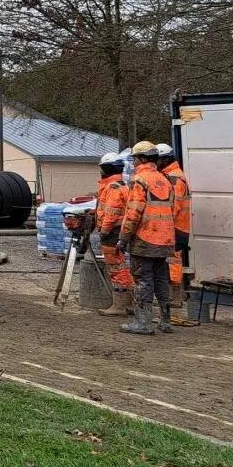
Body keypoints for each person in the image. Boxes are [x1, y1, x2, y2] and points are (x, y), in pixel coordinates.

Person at [118, 140, 177, 335]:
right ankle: (165, 321)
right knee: (161, 278)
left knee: (143, 279)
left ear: (141, 158)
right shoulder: (164, 180)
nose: (133, 162)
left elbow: (133, 212)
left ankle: (143, 322)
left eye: (135, 158)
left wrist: (124, 238)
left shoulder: (140, 180)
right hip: (165, 238)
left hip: (145, 237)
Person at [94, 152, 133, 316]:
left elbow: (112, 213)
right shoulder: (118, 185)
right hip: (117, 231)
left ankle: (120, 305)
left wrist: (104, 231)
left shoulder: (113, 188)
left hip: (112, 233)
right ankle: (128, 303)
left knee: (117, 268)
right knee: (121, 266)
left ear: (107, 168)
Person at [156, 141, 191, 276]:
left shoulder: (173, 179)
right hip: (178, 227)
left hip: (175, 228)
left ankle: (175, 293)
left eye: (157, 159)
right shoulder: (173, 175)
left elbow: (172, 207)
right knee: (172, 262)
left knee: (172, 263)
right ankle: (174, 291)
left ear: (165, 159)